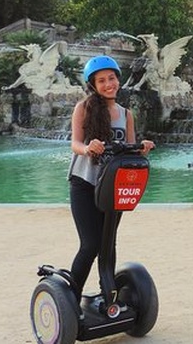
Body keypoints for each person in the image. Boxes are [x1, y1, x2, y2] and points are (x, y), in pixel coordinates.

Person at [68, 55, 154, 301]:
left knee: (108, 242)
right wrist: (87, 148)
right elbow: (74, 143)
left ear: (118, 79)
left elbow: (128, 148)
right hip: (84, 182)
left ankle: (109, 294)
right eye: (102, 80)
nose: (109, 84)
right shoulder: (83, 108)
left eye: (112, 78)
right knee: (91, 243)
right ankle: (72, 297)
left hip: (112, 186)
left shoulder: (125, 114)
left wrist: (141, 147)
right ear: (93, 85)